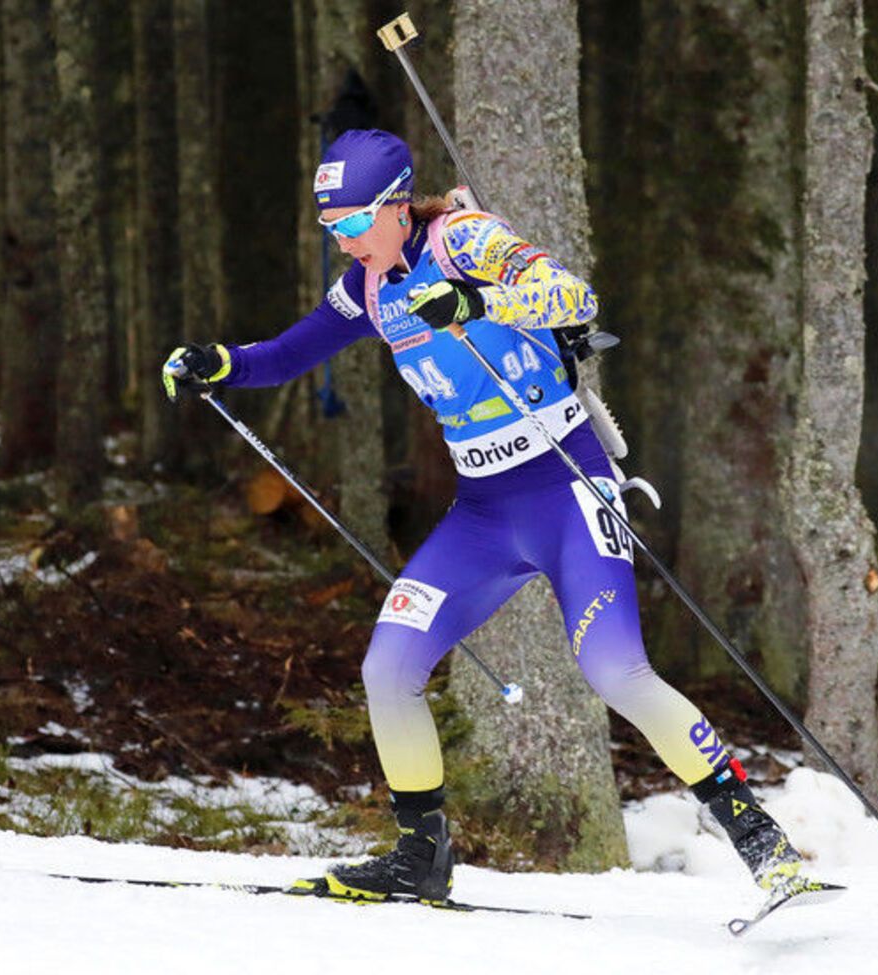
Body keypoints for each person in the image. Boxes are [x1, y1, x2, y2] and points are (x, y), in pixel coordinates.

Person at [163, 128, 807, 904]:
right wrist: (219, 363)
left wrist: (477, 297)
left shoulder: (465, 238)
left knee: (615, 670)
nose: (344, 240)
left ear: (398, 206)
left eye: (354, 221)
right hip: (483, 512)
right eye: (330, 226)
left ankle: (766, 846)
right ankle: (420, 856)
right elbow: (289, 352)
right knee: (388, 666)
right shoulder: (368, 286)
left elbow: (575, 297)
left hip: (567, 488)